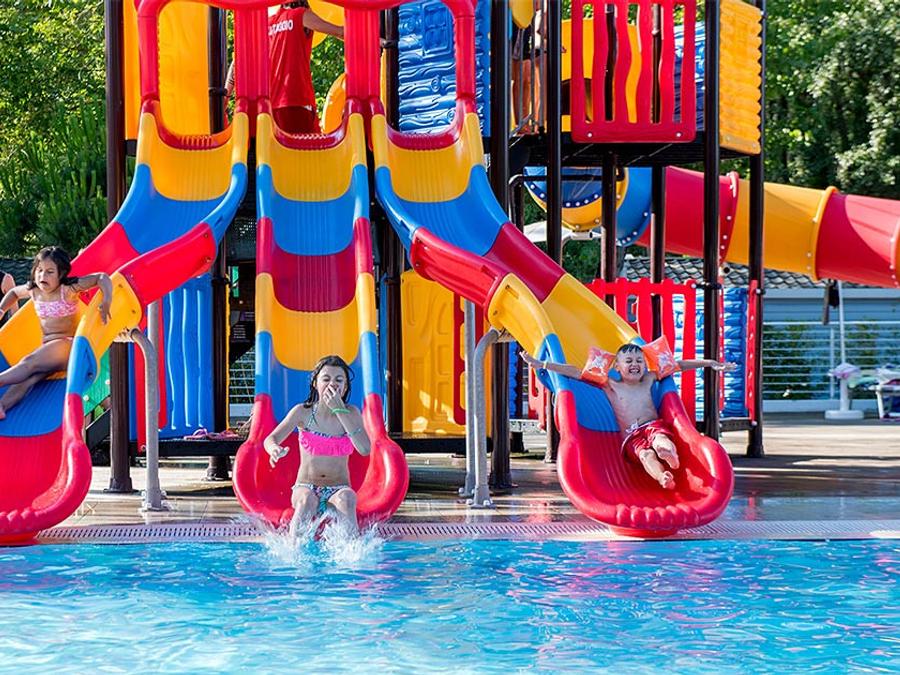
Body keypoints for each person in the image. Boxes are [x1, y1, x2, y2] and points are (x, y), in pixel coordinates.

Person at [521, 343, 734, 490]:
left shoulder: (649, 378)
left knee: (660, 439)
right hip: (631, 437)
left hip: (652, 425)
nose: (635, 364)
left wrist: (709, 363)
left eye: (640, 361)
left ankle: (669, 453)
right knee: (645, 456)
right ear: (617, 367)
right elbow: (575, 372)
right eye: (629, 360)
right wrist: (543, 364)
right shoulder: (609, 384)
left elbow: (678, 365)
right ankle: (662, 476)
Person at [0, 247, 112, 420]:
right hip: (50, 351)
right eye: (39, 270)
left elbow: (101, 278)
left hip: (68, 346)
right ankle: (3, 405)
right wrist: (2, 309)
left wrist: (106, 300)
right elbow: (14, 293)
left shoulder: (67, 289)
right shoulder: (34, 290)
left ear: (61, 274)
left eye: (50, 272)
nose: (42, 276)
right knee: (30, 378)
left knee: (29, 363)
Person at [265, 355, 371, 536]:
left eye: (339, 380)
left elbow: (365, 449)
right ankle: (293, 550)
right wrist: (274, 449)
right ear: (315, 383)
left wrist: (339, 409)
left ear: (345, 387)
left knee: (347, 499)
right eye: (326, 379)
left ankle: (351, 552)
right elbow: (271, 438)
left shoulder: (352, 413)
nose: (332, 384)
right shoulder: (303, 412)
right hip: (305, 486)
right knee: (307, 500)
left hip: (339, 488)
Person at [225, 1, 343, 134]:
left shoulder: (268, 24)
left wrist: (226, 95)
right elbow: (340, 32)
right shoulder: (301, 15)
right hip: (297, 101)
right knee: (310, 147)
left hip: (271, 108)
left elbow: (238, 60)